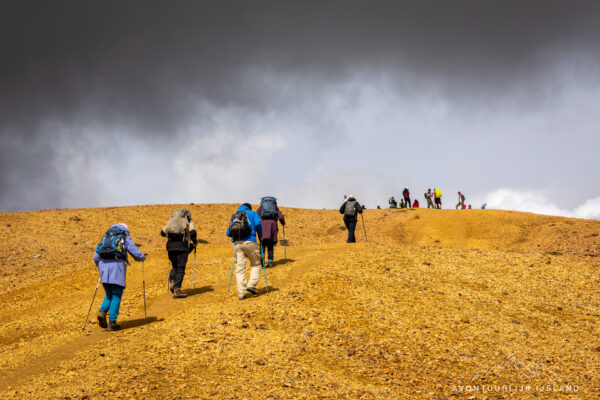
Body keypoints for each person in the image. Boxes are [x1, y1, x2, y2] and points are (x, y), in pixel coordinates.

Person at [94, 223, 146, 331]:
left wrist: (101, 266)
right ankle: (112, 323)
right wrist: (142, 258)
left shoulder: (106, 237)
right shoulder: (124, 236)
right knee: (116, 295)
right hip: (117, 268)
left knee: (109, 294)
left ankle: (102, 312)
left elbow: (96, 256)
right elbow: (135, 253)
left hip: (103, 269)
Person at [227, 203, 263, 300]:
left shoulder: (234, 216)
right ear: (249, 208)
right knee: (256, 264)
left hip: (237, 244)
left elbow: (228, 233)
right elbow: (258, 224)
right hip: (250, 242)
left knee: (240, 269)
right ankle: (251, 285)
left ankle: (241, 293)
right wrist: (260, 236)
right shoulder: (252, 213)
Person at [161, 209, 197, 299]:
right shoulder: (188, 220)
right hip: (182, 246)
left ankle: (172, 281)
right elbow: (193, 233)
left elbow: (162, 233)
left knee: (175, 266)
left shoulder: (171, 220)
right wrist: (194, 241)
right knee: (181, 268)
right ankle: (177, 290)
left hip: (170, 247)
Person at [257, 197, 286, 268]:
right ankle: (270, 262)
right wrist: (283, 223)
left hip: (263, 227)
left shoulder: (261, 208)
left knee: (262, 245)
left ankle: (262, 263)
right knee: (270, 245)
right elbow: (281, 217)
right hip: (272, 227)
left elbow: (256, 214)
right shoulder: (275, 207)